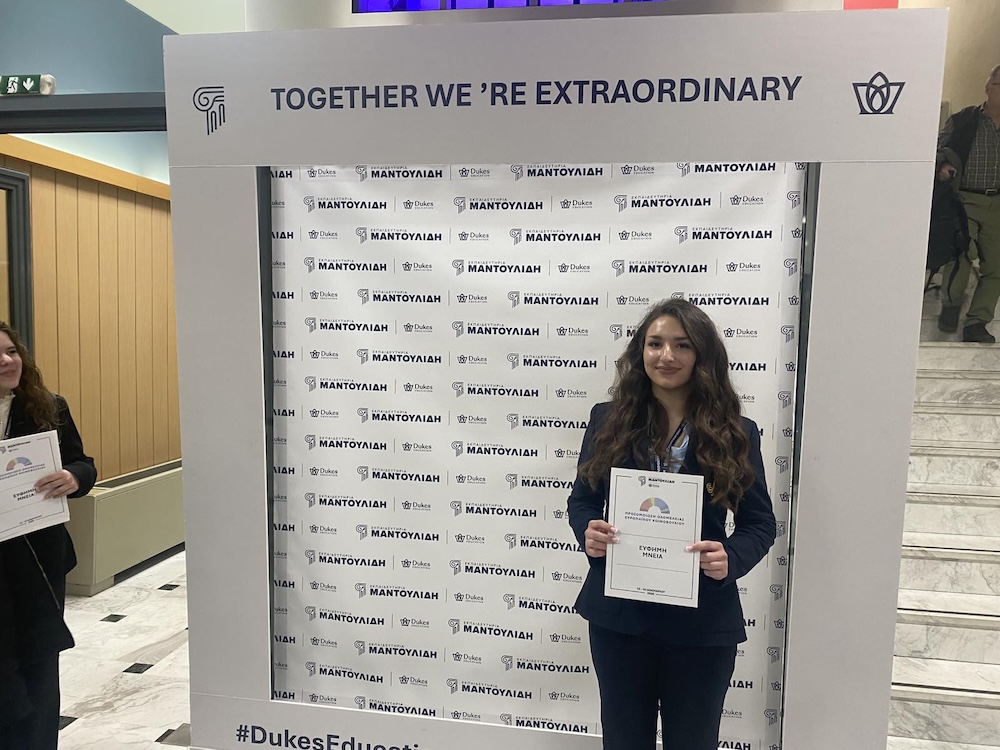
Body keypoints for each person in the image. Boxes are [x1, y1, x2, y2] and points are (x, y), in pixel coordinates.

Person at [567, 299, 776, 750]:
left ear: (702, 355)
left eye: (682, 345)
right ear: (640, 352)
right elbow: (582, 501)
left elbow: (760, 524)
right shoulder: (608, 420)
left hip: (701, 622)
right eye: (655, 343)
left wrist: (730, 556)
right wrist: (589, 532)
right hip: (620, 618)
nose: (666, 355)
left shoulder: (736, 432)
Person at [0, 323, 96, 750]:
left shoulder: (49, 407)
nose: (7, 361)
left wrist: (73, 478)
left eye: (11, 351)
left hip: (38, 560)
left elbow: (84, 464)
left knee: (38, 659)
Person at [936, 63, 1000, 344]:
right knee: (961, 253)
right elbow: (940, 148)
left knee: (996, 267)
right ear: (988, 88)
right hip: (965, 198)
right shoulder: (964, 120)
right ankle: (951, 304)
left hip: (998, 204)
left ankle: (977, 322)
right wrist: (944, 165)